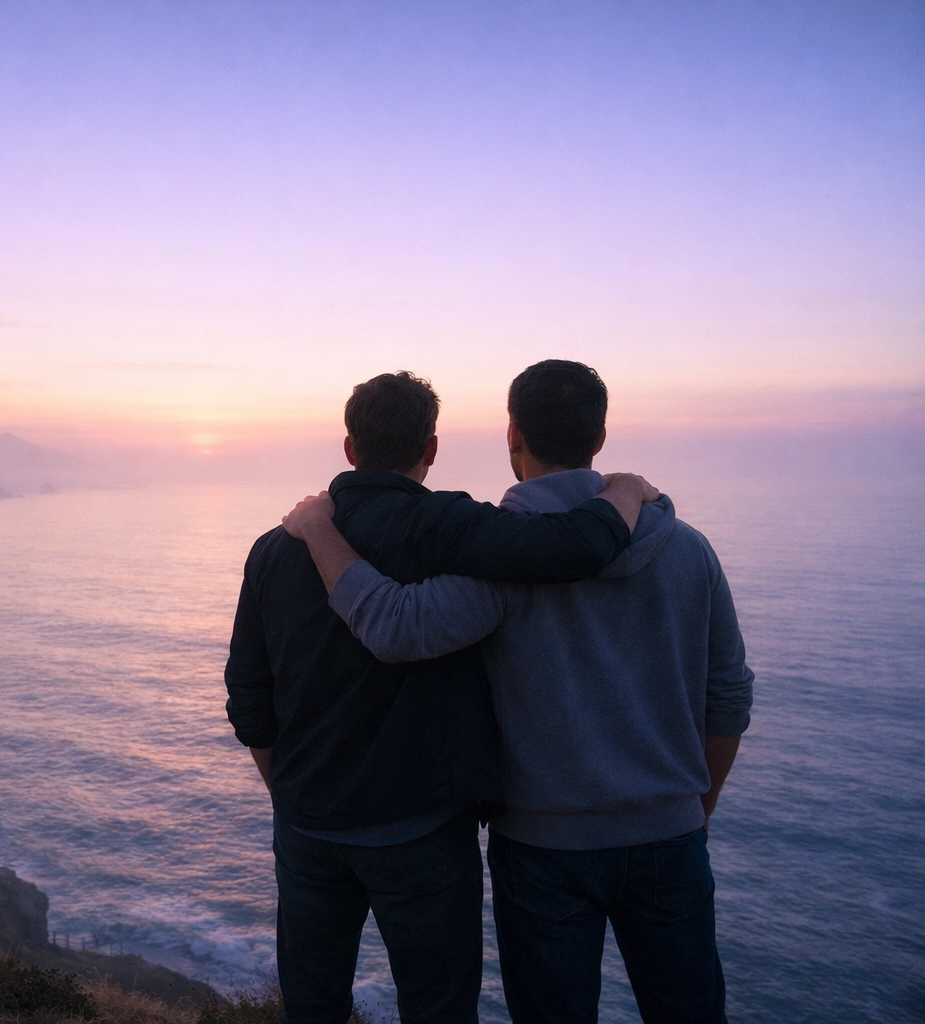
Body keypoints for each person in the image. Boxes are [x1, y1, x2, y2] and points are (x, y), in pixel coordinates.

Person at [281, 360, 753, 1024]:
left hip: (544, 846)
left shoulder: (498, 566)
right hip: (668, 837)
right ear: (600, 433)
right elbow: (728, 695)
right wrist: (691, 811)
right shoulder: (689, 551)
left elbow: (392, 626)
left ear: (513, 437)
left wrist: (318, 529)